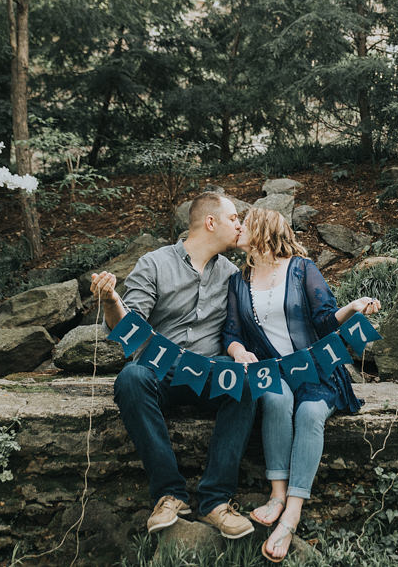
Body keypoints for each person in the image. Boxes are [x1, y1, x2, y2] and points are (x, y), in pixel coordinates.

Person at [89, 192, 258, 539]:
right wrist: (110, 300)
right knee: (131, 378)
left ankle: (215, 502)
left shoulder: (232, 275)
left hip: (209, 371)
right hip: (159, 372)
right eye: (233, 218)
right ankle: (170, 494)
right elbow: (127, 328)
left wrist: (239, 352)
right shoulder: (153, 264)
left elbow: (237, 330)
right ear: (210, 223)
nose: (239, 225)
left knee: (245, 381)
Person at [223, 208, 380, 562]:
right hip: (274, 372)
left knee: (309, 413)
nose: (238, 228)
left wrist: (353, 307)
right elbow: (231, 333)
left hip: (317, 371)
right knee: (276, 401)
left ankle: (292, 512)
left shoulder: (301, 269)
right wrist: (239, 352)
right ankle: (276, 494)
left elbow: (325, 322)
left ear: (262, 230)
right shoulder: (238, 280)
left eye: (245, 224)